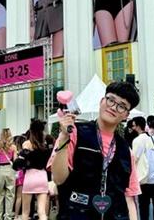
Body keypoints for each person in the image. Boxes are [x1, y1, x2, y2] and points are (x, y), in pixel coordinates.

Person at [49, 81, 141, 219]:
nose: (113, 107)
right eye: (111, 100)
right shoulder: (74, 133)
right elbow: (58, 179)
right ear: (102, 101)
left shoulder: (126, 150)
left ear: (126, 115)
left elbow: (129, 197)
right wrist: (63, 137)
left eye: (122, 106)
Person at [19, 120, 50, 220]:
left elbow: (22, 160)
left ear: (31, 131)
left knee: (25, 212)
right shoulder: (44, 146)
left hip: (30, 177)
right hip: (42, 177)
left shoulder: (27, 144)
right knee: (42, 212)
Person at [0, 128, 17, 220]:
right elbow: (15, 161)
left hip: (0, 170)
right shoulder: (13, 147)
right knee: (10, 195)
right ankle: (8, 216)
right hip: (10, 170)